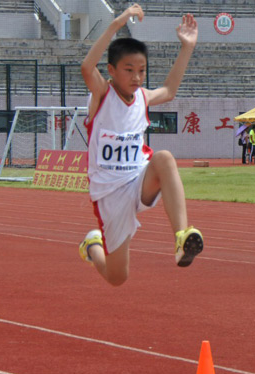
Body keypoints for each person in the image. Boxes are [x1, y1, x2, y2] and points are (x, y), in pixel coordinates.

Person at [78, 4, 203, 286]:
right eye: (129, 70)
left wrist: (187, 48)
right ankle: (91, 246)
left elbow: (169, 91)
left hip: (137, 179)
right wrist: (117, 23)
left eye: (142, 70)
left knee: (164, 158)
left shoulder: (143, 97)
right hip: (110, 194)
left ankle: (181, 236)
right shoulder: (102, 94)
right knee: (117, 277)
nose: (136, 77)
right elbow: (87, 67)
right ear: (111, 70)